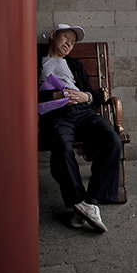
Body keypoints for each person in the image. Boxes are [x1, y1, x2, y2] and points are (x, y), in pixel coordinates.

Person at [38, 24, 121, 233]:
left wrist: (86, 96)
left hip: (83, 112)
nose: (69, 44)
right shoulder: (34, 61)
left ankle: (89, 201)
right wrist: (53, 96)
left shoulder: (74, 64)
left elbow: (92, 94)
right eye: (66, 38)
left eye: (73, 43)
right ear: (53, 36)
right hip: (56, 115)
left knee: (112, 139)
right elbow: (21, 92)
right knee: (61, 146)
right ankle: (78, 200)